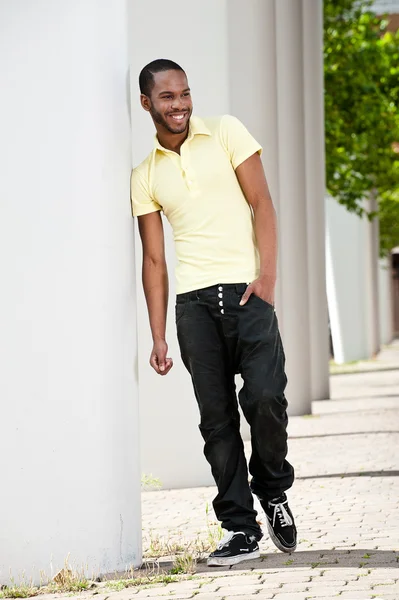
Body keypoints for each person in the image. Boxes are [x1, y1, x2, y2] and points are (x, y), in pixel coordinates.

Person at [131, 59, 296, 567]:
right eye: (167, 97)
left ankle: (271, 489)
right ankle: (239, 526)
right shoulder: (146, 175)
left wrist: (266, 278)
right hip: (194, 308)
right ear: (147, 104)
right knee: (216, 421)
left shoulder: (226, 132)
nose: (179, 104)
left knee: (266, 398)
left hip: (249, 295)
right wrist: (158, 335)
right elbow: (155, 261)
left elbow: (262, 202)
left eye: (183, 93)